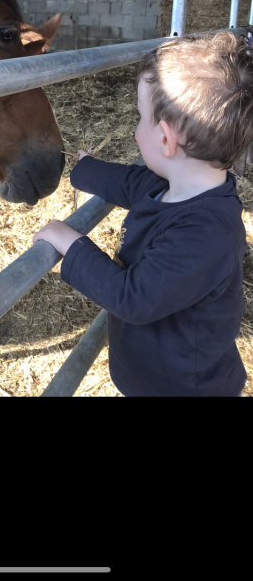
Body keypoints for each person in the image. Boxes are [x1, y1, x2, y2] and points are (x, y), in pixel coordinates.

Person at [33, 31, 251, 397]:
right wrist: (86, 170)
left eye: (140, 117)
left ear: (166, 140)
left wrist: (70, 242)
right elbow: (135, 184)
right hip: (151, 374)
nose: (135, 131)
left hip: (182, 387)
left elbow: (133, 298)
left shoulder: (206, 233)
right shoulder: (178, 184)